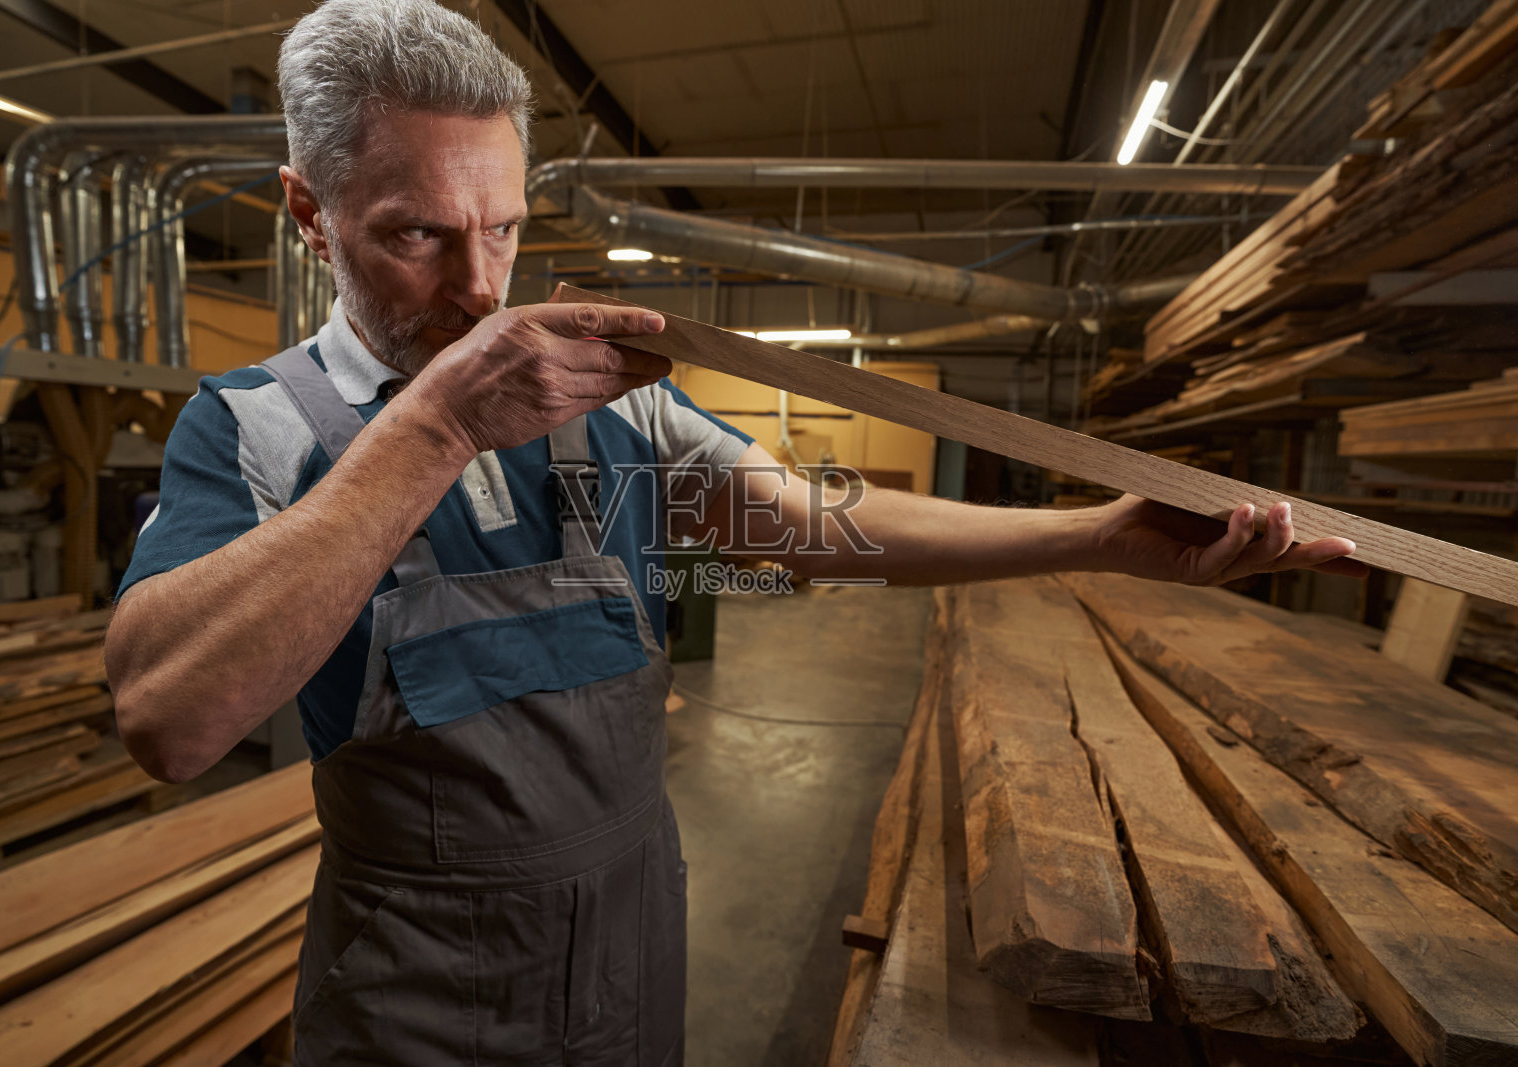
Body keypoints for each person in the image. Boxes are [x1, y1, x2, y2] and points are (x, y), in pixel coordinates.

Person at [104, 1, 1364, 1063]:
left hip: (633, 942)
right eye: (417, 234)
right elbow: (172, 719)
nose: (482, 287)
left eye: (501, 225)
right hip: (417, 983)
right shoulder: (259, 427)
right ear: (307, 212)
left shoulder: (606, 401)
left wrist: (1101, 533)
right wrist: (435, 426)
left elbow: (818, 525)